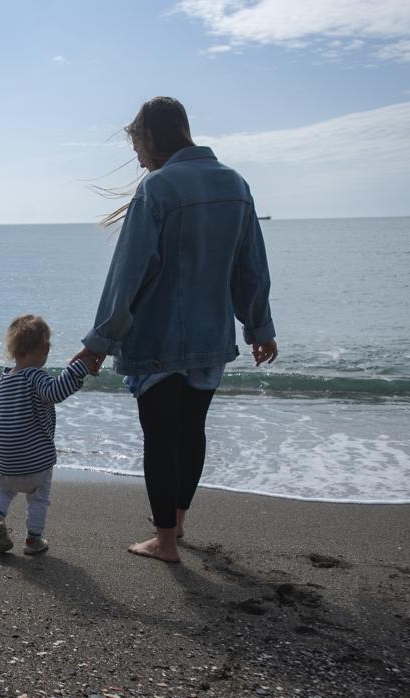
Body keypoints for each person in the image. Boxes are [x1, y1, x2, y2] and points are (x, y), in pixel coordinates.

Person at [72, 96, 278, 564]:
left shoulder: (158, 189)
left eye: (137, 144)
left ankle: (164, 542)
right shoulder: (234, 184)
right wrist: (259, 326)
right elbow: (251, 266)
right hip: (209, 337)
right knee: (191, 432)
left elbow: (129, 273)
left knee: (160, 438)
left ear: (151, 137)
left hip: (158, 339)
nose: (138, 156)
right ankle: (178, 522)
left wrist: (99, 342)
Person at [0, 314, 90, 555]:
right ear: (46, 348)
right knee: (39, 498)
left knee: (0, 491)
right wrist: (80, 366)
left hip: (7, 462)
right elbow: (55, 392)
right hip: (37, 461)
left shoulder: (5, 379)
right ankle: (33, 540)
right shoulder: (36, 377)